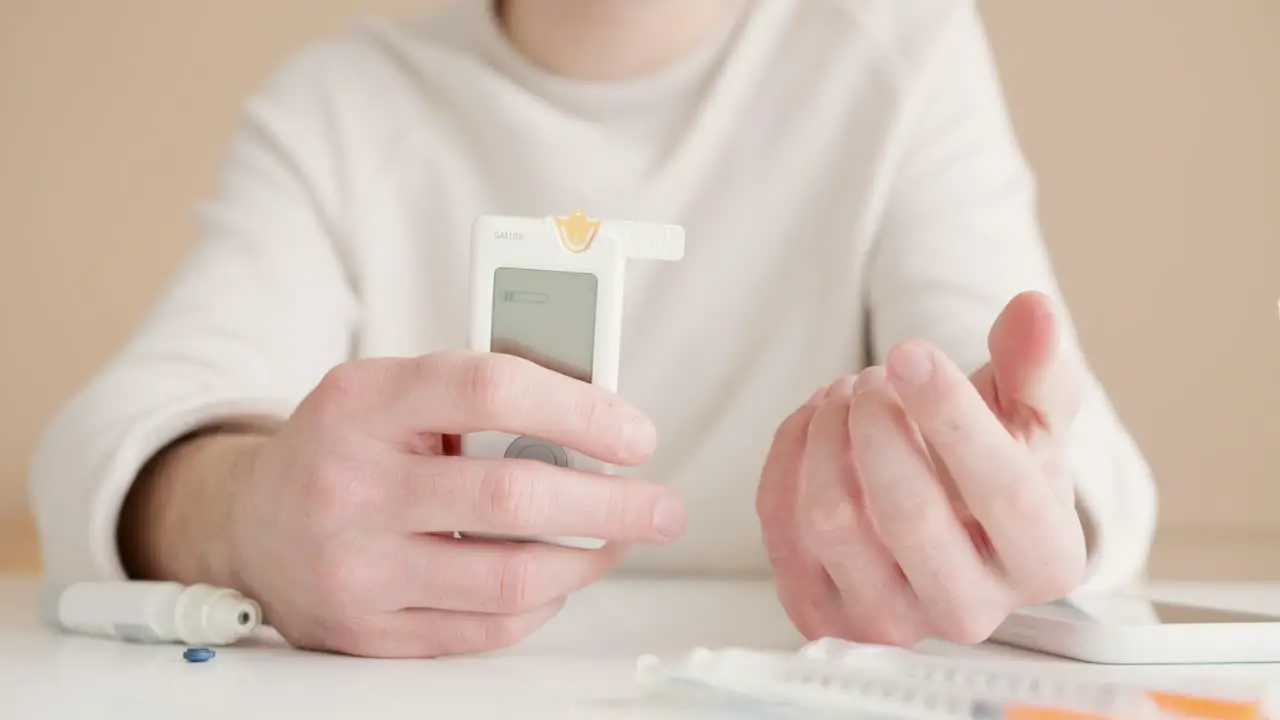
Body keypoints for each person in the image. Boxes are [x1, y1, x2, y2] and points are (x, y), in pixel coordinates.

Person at [29, 0, 1157, 658]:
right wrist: (239, 515)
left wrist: (1022, 501)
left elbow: (1068, 457)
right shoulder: (342, 103)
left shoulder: (897, 49)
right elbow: (104, 444)